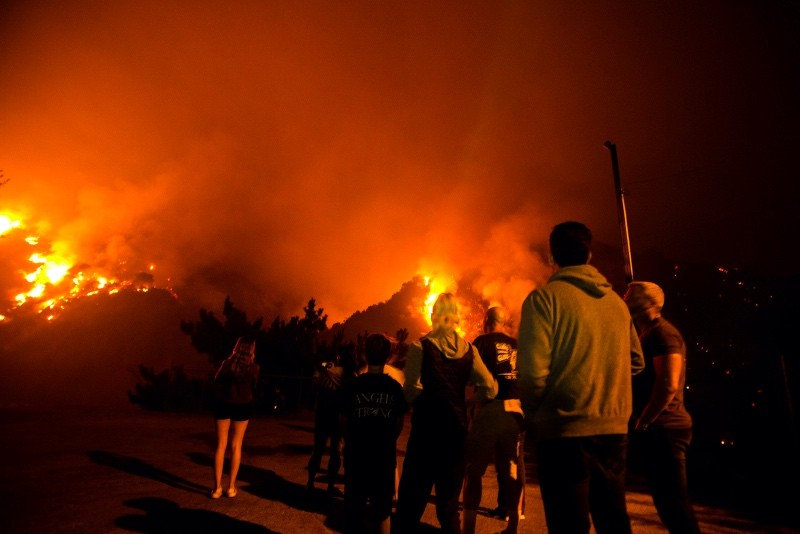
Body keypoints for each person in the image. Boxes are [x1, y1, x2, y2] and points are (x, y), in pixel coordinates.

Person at [517, 221, 645, 534]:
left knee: (568, 523)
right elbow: (636, 361)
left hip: (563, 432)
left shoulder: (544, 300)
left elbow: (532, 375)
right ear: (589, 256)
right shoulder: (616, 303)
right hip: (613, 429)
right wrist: (602, 379)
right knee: (613, 520)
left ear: (552, 257)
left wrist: (536, 416)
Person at [393, 292, 498, 534]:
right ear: (456, 318)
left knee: (410, 505)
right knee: (448, 508)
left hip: (425, 436)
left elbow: (411, 391)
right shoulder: (469, 350)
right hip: (456, 436)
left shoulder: (420, 347)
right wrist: (469, 403)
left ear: (434, 315)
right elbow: (490, 388)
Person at [624, 281, 701, 534]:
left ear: (650, 303)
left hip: (666, 427)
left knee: (674, 504)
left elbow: (668, 384)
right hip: (657, 427)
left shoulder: (663, 333)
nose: (625, 300)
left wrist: (645, 420)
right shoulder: (646, 333)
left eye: (631, 296)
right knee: (666, 503)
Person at [462, 306, 525, 534]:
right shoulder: (517, 344)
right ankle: (513, 527)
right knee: (510, 470)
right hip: (515, 412)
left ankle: (468, 528)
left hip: (490, 409)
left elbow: (469, 375)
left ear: (487, 320)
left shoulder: (482, 342)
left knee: (474, 471)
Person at [340, 333, 408, 534]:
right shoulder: (394, 388)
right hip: (383, 457)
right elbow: (398, 423)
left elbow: (343, 420)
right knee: (382, 512)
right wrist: (386, 440)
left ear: (365, 355)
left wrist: (349, 441)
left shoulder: (353, 386)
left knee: (354, 511)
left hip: (356, 456)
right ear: (387, 357)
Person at [211, 335, 260, 499]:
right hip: (242, 405)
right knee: (236, 445)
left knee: (220, 445)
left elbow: (215, 381)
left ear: (237, 347)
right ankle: (231, 487)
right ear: (251, 350)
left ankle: (216, 488)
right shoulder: (253, 368)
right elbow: (253, 386)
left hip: (223, 404)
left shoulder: (226, 365)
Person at [307, 343, 356, 495]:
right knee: (336, 451)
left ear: (339, 356)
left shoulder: (329, 371)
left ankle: (310, 481)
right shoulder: (352, 377)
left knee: (318, 449)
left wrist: (326, 365)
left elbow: (317, 374)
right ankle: (330, 485)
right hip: (340, 417)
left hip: (323, 414)